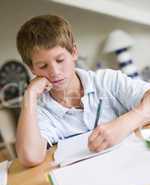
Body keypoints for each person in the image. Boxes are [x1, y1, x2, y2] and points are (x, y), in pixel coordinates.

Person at [16, 14, 150, 167]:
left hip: (132, 164)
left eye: (60, 60)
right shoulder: (42, 110)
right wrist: (30, 95)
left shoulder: (106, 80)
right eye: (43, 66)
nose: (54, 72)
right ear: (32, 69)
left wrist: (124, 123)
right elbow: (30, 157)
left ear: (74, 53)